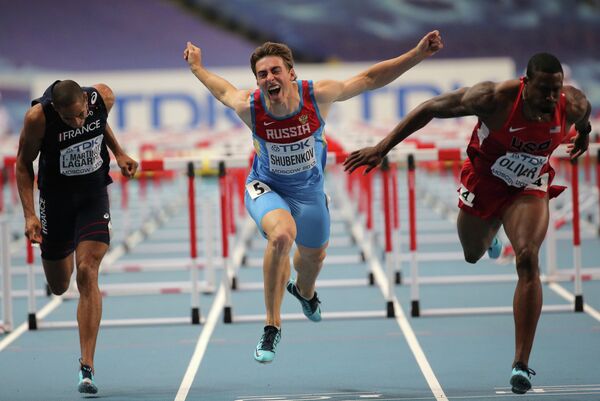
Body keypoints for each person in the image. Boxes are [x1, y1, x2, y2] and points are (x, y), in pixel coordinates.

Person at [184, 32, 443, 363]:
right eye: (262, 75)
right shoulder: (249, 107)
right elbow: (221, 89)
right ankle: (272, 327)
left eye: (275, 71)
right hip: (266, 187)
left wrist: (417, 54)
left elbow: (370, 78)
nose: (269, 79)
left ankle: (304, 292)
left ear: (291, 73)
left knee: (313, 260)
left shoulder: (317, 96)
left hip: (309, 194)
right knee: (280, 236)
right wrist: (197, 68)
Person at [343, 53, 592, 394]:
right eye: (544, 90)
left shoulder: (571, 103)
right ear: (526, 84)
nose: (551, 98)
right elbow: (430, 107)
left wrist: (582, 132)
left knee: (527, 257)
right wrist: (383, 147)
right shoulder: (492, 99)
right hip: (484, 181)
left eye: (556, 90)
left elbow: (585, 113)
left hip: (528, 186)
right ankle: (489, 234)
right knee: (472, 253)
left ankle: (521, 363)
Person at [15, 80, 138, 394]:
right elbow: (22, 164)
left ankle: (87, 365)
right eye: (70, 120)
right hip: (55, 202)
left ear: (86, 100)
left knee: (88, 271)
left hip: (92, 195)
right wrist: (30, 214)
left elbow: (100, 124)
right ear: (57, 110)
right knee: (59, 286)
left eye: (82, 114)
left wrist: (119, 152)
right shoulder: (37, 118)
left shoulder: (102, 97)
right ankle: (66, 243)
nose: (79, 122)